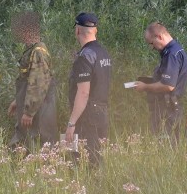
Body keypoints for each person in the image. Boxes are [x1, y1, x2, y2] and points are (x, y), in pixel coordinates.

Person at [65, 12, 112, 166]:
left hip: (87, 116)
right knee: (99, 157)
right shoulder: (104, 53)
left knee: (83, 160)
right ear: (95, 30)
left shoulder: (84, 57)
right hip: (103, 112)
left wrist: (71, 123)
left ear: (77, 30)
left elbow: (83, 93)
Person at [6, 12, 57, 149]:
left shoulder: (38, 51)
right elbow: (29, 80)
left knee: (38, 146)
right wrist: (18, 100)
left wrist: (29, 112)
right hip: (33, 109)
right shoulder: (32, 50)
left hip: (39, 112)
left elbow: (39, 83)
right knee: (24, 145)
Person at [134, 21, 187, 140]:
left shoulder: (171, 54)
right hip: (170, 107)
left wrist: (145, 87)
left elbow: (168, 85)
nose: (152, 47)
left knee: (165, 144)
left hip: (167, 110)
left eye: (151, 43)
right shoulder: (175, 51)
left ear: (159, 36)